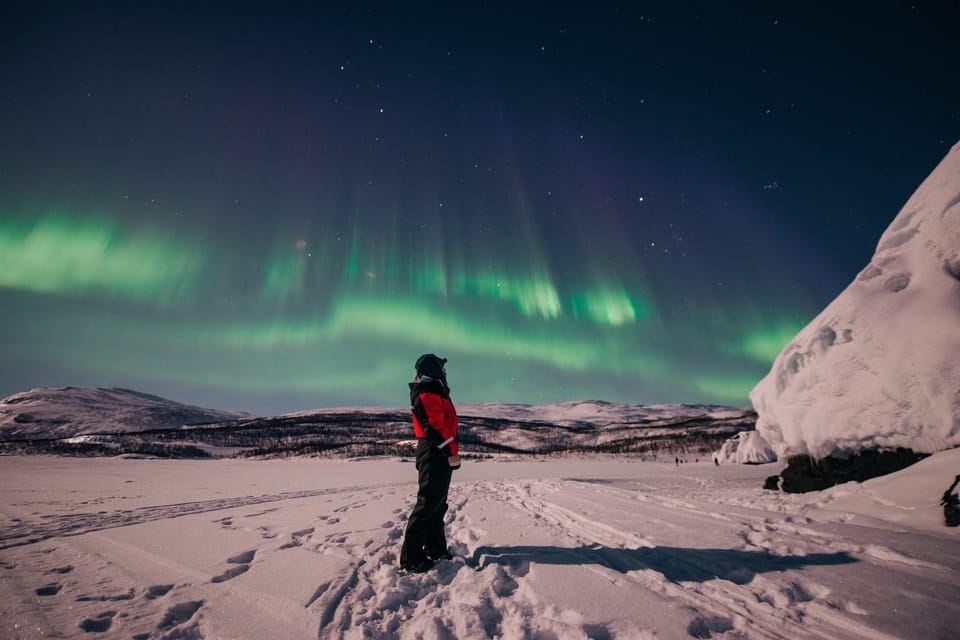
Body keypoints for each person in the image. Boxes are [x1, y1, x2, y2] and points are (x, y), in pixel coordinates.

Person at [399, 354, 461, 573]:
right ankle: (411, 558)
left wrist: (451, 452)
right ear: (433, 369)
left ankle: (435, 549)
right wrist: (450, 452)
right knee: (428, 503)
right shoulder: (427, 392)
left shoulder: (435, 390)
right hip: (434, 451)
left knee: (437, 504)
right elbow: (434, 427)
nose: (444, 372)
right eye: (441, 368)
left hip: (438, 452)